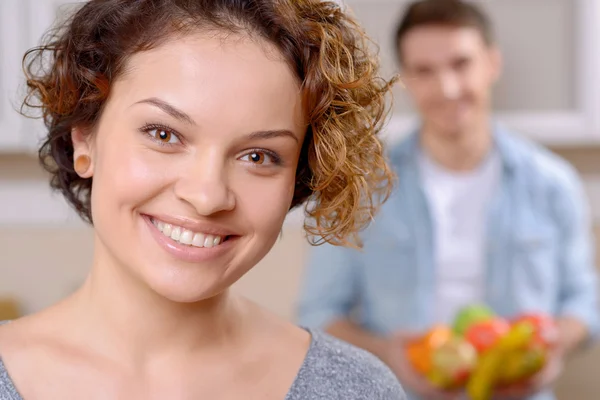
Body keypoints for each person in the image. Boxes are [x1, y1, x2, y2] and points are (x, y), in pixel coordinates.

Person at [0, 1, 407, 399]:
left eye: (258, 157)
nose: (208, 196)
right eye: (163, 134)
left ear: (299, 179)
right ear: (84, 138)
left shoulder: (358, 388)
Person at [297, 1, 599, 399]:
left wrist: (551, 346)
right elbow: (317, 313)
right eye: (425, 71)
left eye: (461, 64)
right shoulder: (364, 187)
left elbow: (583, 301)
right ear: (406, 78)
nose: (448, 88)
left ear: (492, 63)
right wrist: (389, 353)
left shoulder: (553, 183)